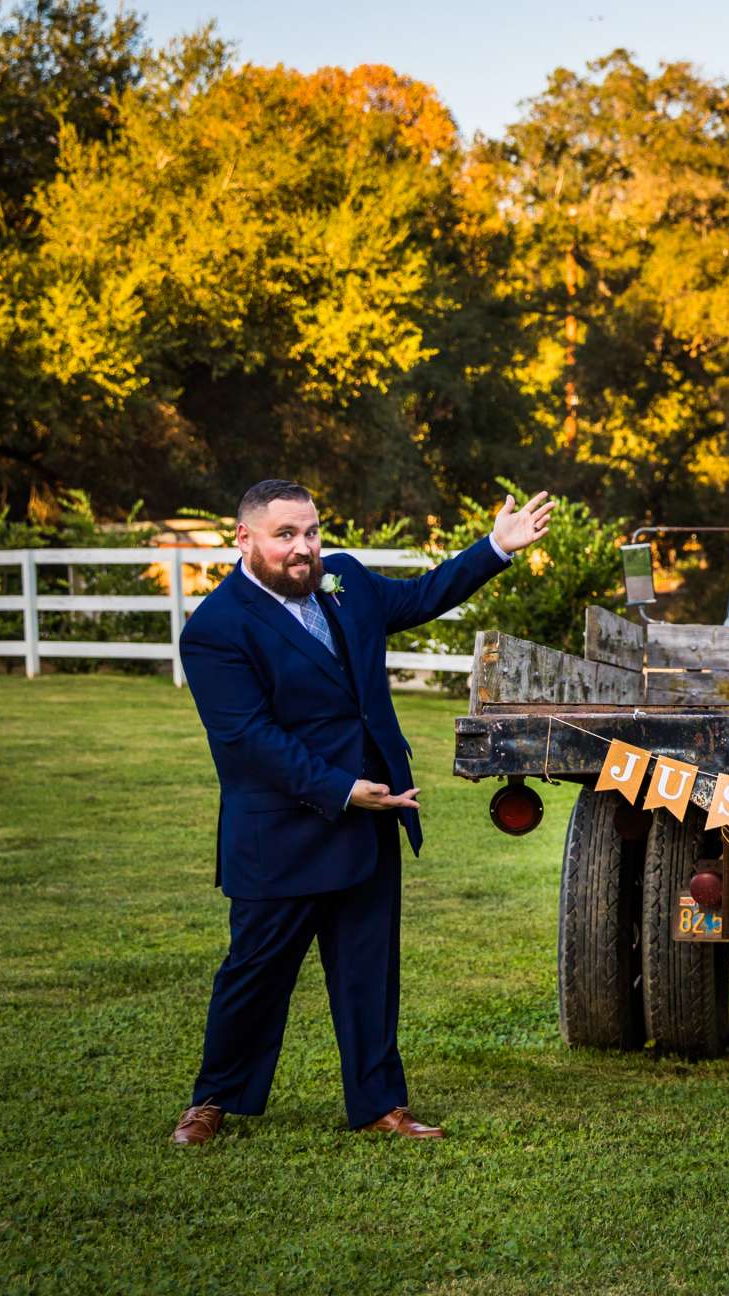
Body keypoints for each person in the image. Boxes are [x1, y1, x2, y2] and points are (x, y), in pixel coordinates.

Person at [168, 479, 554, 1146]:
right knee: (254, 974)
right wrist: (343, 789)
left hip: (373, 817)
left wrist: (495, 547)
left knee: (368, 971)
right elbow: (249, 739)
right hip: (281, 832)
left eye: (311, 531)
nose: (303, 548)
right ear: (244, 538)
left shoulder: (343, 579)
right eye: (285, 534)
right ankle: (212, 1100)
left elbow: (425, 595)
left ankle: (381, 1104)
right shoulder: (214, 630)